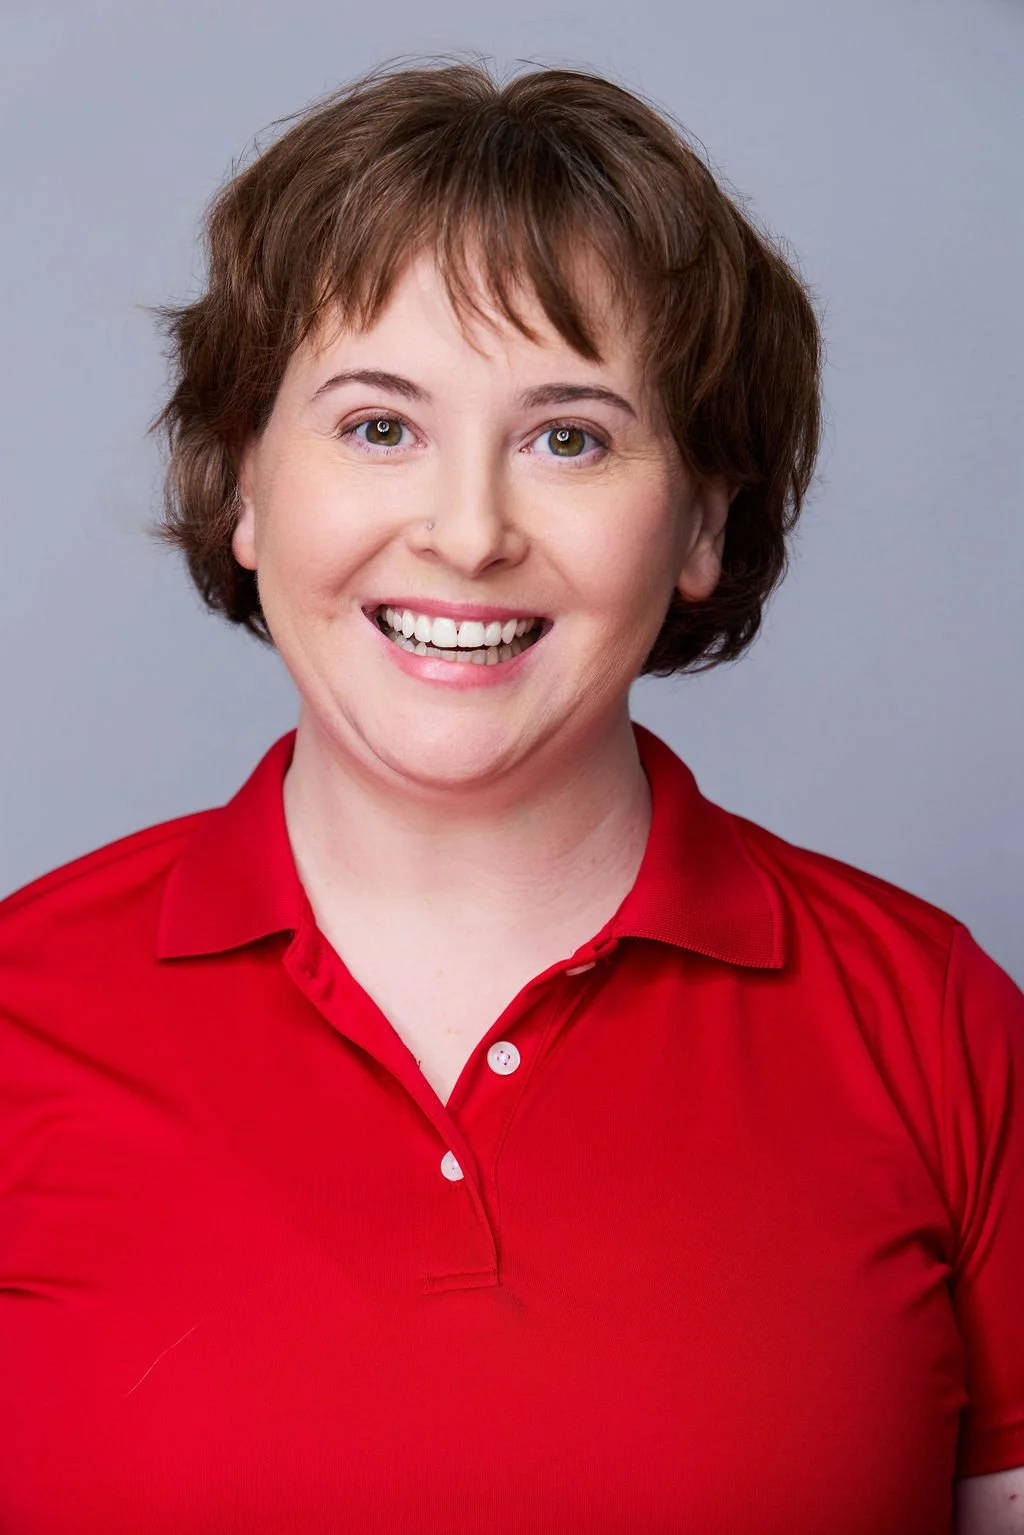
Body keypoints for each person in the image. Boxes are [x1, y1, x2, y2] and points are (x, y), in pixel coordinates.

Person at [0, 58, 1021, 1535]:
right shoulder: (19, 1012)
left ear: (702, 522)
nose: (469, 532)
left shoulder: (936, 1026)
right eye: (378, 426)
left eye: (568, 437)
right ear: (242, 485)